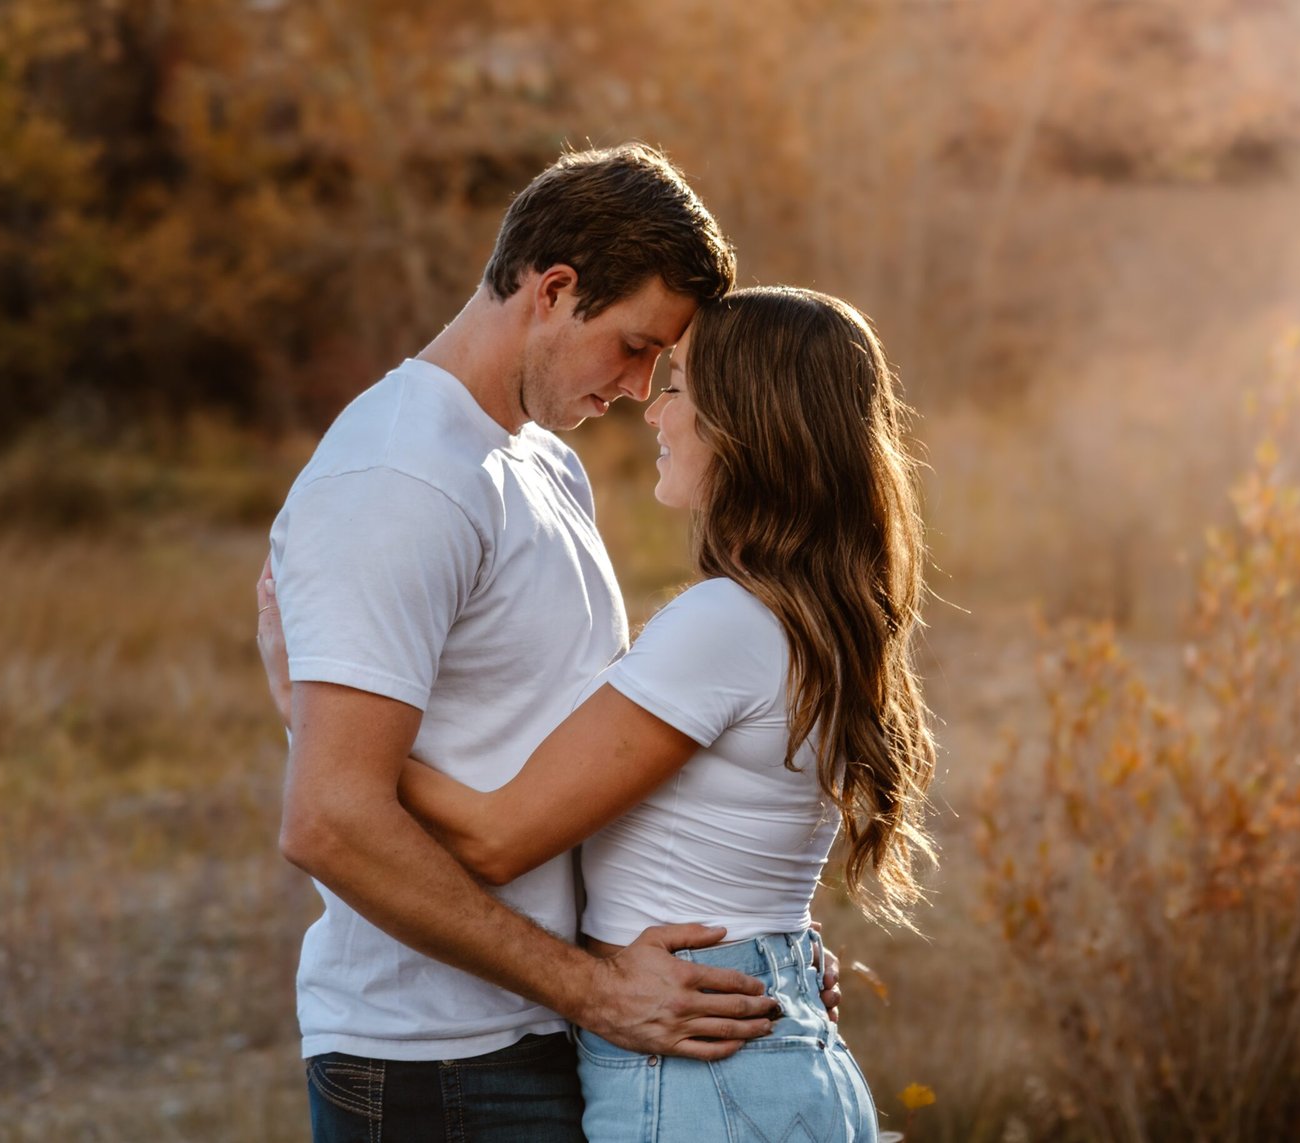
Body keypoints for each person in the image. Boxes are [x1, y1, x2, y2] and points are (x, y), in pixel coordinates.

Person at [262, 286, 937, 1141]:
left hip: (708, 1080)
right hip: (766, 1043)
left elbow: (497, 836)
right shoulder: (821, 614)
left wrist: (310, 715)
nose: (653, 408)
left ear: (749, 425)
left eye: (681, 385)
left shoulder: (722, 624)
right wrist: (777, 961)